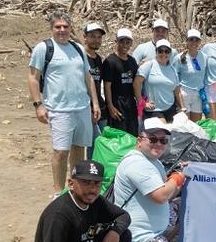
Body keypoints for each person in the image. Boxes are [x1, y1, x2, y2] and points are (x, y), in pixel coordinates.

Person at [28, 12, 101, 193]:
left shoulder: (78, 48)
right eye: (58, 27)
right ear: (52, 28)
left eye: (65, 27)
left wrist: (95, 103)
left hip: (82, 108)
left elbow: (88, 77)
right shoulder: (44, 48)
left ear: (70, 28)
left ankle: (75, 189)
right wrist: (38, 105)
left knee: (79, 150)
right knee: (61, 152)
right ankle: (59, 193)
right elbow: (33, 78)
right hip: (59, 110)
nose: (62, 30)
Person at [113, 118, 188, 242]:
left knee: (184, 206)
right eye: (153, 139)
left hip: (155, 229)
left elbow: (168, 194)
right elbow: (161, 195)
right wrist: (177, 178)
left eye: (163, 141)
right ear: (140, 140)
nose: (158, 144)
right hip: (139, 237)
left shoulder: (153, 161)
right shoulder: (137, 163)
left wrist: (181, 176)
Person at [102, 28, 139, 135]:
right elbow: (107, 86)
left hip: (130, 103)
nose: (125, 45)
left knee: (133, 135)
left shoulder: (132, 61)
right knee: (119, 135)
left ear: (131, 43)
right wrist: (110, 106)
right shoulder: (110, 61)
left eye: (128, 42)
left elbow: (136, 84)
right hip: (117, 103)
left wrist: (140, 103)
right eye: (122, 41)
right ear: (116, 41)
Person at [134, 39, 181, 123]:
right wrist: (142, 103)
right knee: (162, 129)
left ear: (170, 53)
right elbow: (136, 83)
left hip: (170, 108)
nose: (163, 54)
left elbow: (177, 90)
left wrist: (182, 107)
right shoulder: (149, 65)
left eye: (166, 51)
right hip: (153, 110)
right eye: (160, 51)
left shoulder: (172, 69)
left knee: (174, 129)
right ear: (156, 52)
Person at [82, 23, 107, 158]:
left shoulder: (98, 59)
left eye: (99, 37)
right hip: (86, 106)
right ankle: (90, 168)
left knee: (102, 142)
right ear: (85, 37)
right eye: (92, 36)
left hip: (100, 106)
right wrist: (90, 108)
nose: (96, 40)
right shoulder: (81, 58)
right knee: (93, 142)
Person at [173, 29, 207, 122]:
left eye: (197, 40)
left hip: (198, 94)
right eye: (191, 39)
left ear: (200, 41)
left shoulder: (204, 57)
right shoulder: (178, 58)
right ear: (187, 41)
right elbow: (174, 79)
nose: (194, 42)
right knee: (185, 124)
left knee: (196, 124)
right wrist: (179, 100)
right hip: (184, 93)